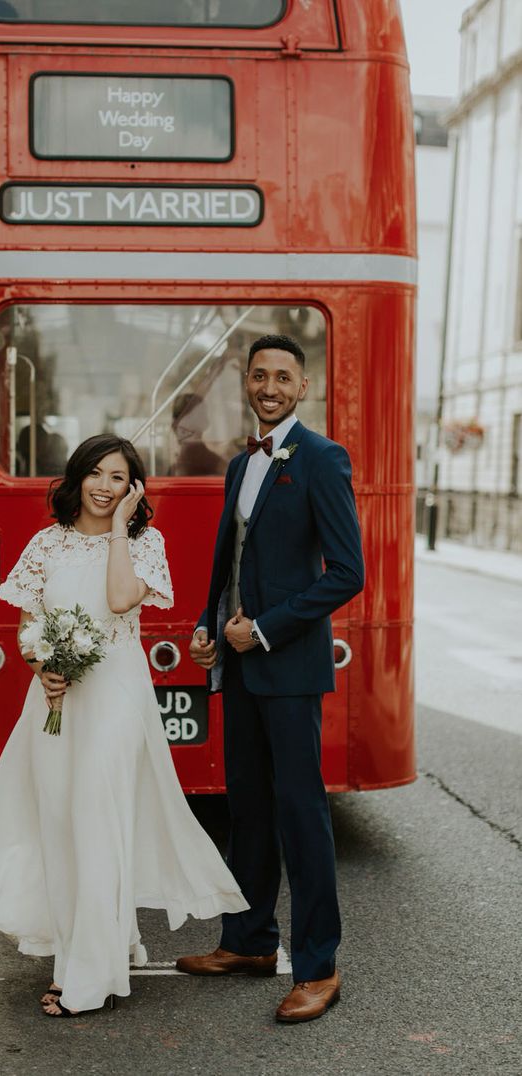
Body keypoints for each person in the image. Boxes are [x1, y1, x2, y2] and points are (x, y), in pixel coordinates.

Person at [0, 433, 247, 1018]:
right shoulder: (46, 544)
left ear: (133, 488)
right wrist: (41, 663)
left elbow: (122, 600)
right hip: (54, 702)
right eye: (97, 474)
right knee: (60, 826)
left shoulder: (146, 543)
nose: (105, 486)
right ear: (77, 478)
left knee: (98, 822)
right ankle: (90, 950)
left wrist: (122, 529)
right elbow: (28, 626)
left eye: (119, 478)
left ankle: (89, 978)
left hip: (118, 698)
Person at [175, 334, 364, 1024]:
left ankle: (320, 966)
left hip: (287, 666)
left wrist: (266, 628)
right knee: (247, 808)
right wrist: (208, 629)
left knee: (301, 815)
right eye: (260, 375)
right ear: (247, 385)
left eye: (283, 376)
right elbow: (231, 563)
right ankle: (250, 942)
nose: (270, 386)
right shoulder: (237, 465)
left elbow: (348, 572)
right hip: (241, 668)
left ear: (302, 387)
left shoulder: (321, 459)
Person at [169, 393, 228, 477]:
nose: (206, 416)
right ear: (185, 419)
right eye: (201, 411)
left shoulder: (190, 451)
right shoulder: (195, 451)